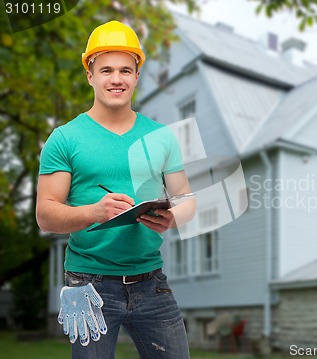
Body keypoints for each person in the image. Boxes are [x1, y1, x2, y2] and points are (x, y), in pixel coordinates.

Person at [36, 20, 195, 359]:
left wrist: (172, 217)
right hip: (87, 284)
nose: (117, 79)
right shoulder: (65, 138)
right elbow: (45, 214)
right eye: (106, 69)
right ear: (90, 74)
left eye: (126, 69)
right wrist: (95, 212)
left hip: (151, 281)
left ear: (137, 76)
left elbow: (187, 199)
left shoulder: (162, 136)